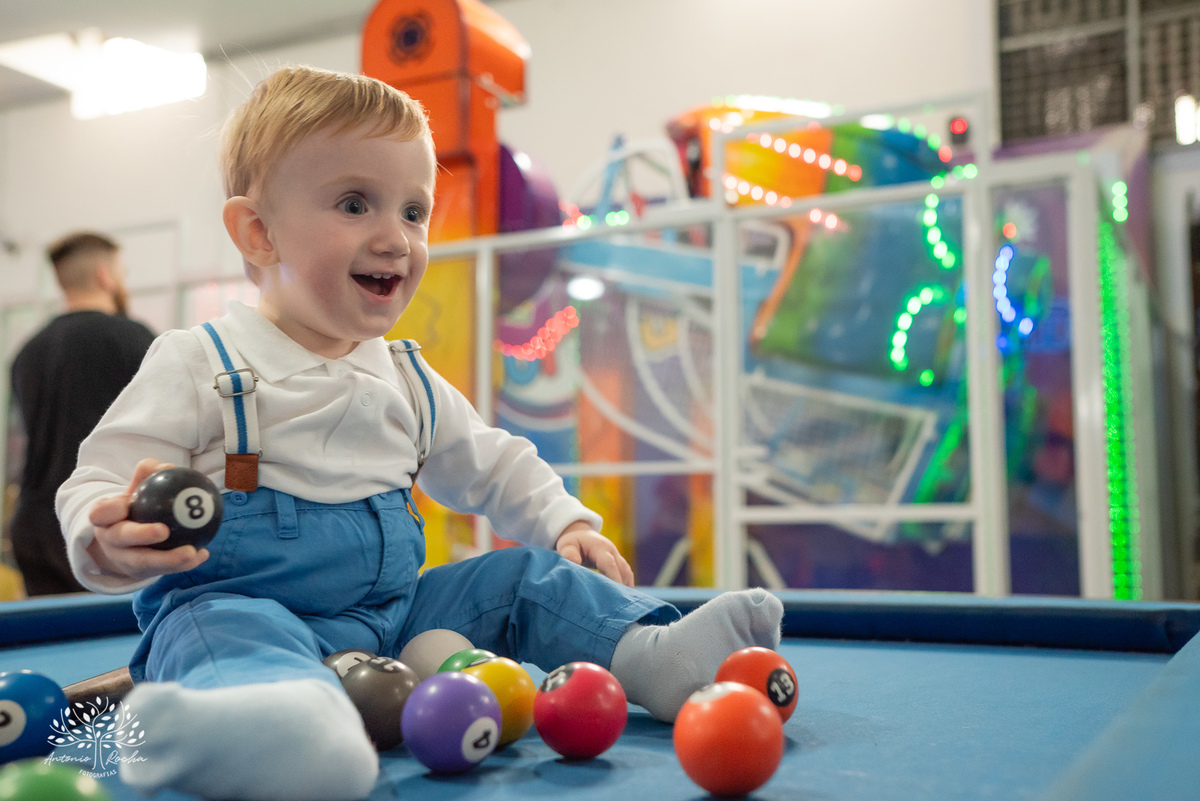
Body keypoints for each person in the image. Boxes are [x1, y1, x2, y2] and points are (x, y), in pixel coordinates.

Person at [56, 66, 782, 801]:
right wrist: (103, 536)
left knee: (522, 578)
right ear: (258, 231)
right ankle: (250, 726)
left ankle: (651, 653)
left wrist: (564, 519)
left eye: (413, 211)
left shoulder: (405, 377)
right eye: (354, 203)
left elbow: (494, 465)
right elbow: (95, 480)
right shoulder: (200, 362)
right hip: (246, 613)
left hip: (397, 623)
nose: (396, 238)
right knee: (228, 635)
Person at [9, 232, 154, 596]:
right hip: (102, 524)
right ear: (106, 276)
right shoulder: (134, 338)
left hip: (34, 524)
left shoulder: (27, 352)